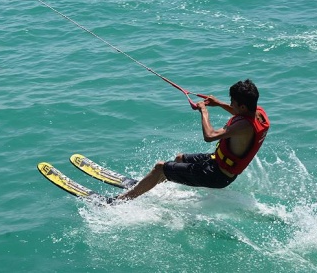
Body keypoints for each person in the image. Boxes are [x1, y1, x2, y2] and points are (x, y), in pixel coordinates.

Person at [112, 79, 270, 203]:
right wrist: (218, 103)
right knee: (179, 158)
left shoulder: (243, 127)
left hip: (217, 175)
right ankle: (151, 186)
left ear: (242, 107)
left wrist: (204, 111)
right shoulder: (257, 112)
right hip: (217, 163)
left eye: (232, 103)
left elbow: (209, 135)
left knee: (160, 167)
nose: (230, 104)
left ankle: (122, 201)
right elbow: (238, 112)